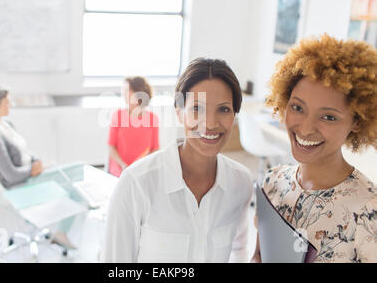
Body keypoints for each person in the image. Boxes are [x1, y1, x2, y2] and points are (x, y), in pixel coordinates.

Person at [103, 58, 253, 262]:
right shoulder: (135, 183)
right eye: (197, 108)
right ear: (179, 113)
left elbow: (239, 251)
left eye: (224, 109)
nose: (209, 123)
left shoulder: (241, 183)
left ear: (234, 115)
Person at [252, 34, 377, 263]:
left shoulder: (369, 212)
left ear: (358, 121)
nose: (306, 129)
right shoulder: (272, 183)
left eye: (328, 117)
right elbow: (259, 256)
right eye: (298, 108)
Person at [0, 85, 77, 249]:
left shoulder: (4, 123)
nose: (9, 106)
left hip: (31, 174)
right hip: (20, 185)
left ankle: (60, 232)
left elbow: (23, 150)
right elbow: (10, 175)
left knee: (75, 169)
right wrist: (32, 170)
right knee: (72, 187)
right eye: (6, 103)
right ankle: (61, 234)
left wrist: (35, 161)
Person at [108, 76, 159, 177]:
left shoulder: (153, 118)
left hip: (142, 170)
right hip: (120, 170)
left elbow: (155, 149)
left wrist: (141, 165)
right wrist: (123, 165)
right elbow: (111, 147)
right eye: (123, 91)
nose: (124, 94)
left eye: (127, 90)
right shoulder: (117, 116)